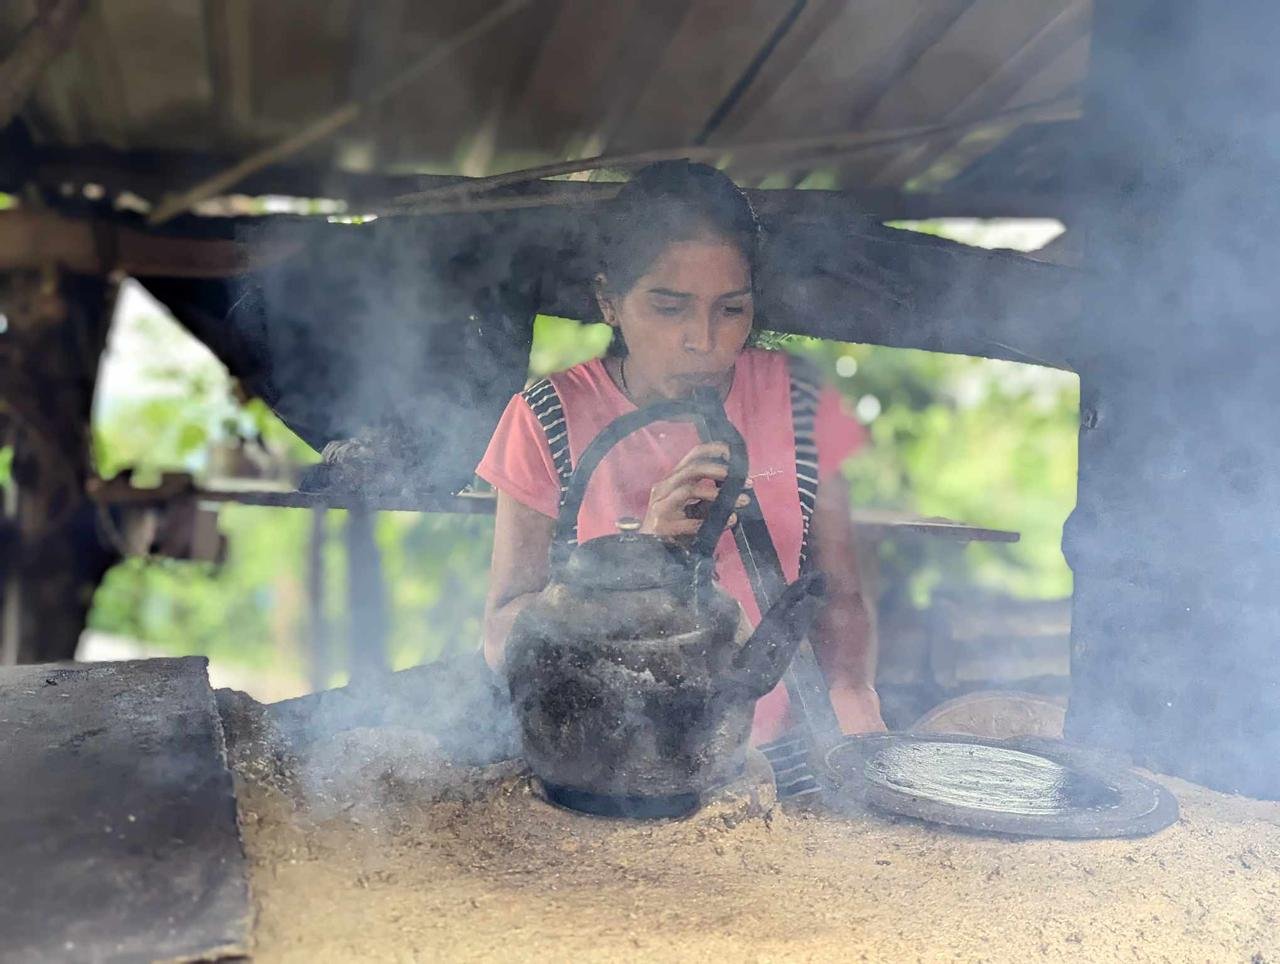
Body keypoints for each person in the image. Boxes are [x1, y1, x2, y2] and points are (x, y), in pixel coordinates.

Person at [476, 160, 885, 743]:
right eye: (669, 308)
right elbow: (500, 635)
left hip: (774, 755)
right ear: (610, 303)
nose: (703, 340)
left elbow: (841, 598)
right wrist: (641, 558)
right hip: (608, 755)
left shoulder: (800, 402)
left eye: (731, 309)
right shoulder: (547, 418)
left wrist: (852, 693)